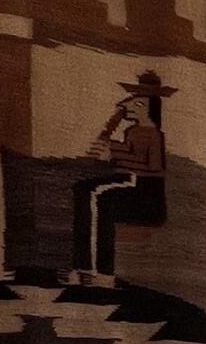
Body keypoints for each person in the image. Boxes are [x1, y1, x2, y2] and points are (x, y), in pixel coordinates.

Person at [72, 70, 173, 282]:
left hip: (146, 193)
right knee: (82, 190)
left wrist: (114, 149)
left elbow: (153, 167)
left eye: (136, 103)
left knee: (99, 199)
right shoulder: (132, 132)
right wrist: (110, 151)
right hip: (129, 183)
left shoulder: (154, 135)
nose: (127, 105)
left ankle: (102, 272)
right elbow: (124, 162)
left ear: (147, 107)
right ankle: (83, 265)